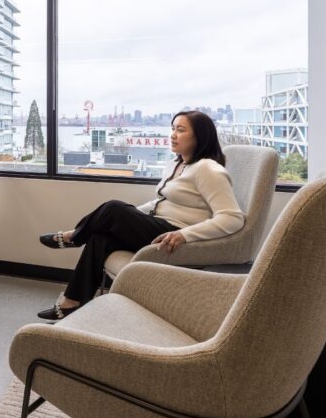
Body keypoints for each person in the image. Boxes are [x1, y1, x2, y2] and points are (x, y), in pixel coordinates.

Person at [36, 111, 245, 320]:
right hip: (158, 225)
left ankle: (74, 237)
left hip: (174, 233)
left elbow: (232, 217)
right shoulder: (177, 164)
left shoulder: (207, 169)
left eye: (180, 130)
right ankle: (73, 301)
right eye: (172, 128)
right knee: (100, 237)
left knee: (113, 208)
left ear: (201, 136)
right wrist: (133, 216)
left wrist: (185, 235)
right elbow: (160, 202)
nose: (173, 135)